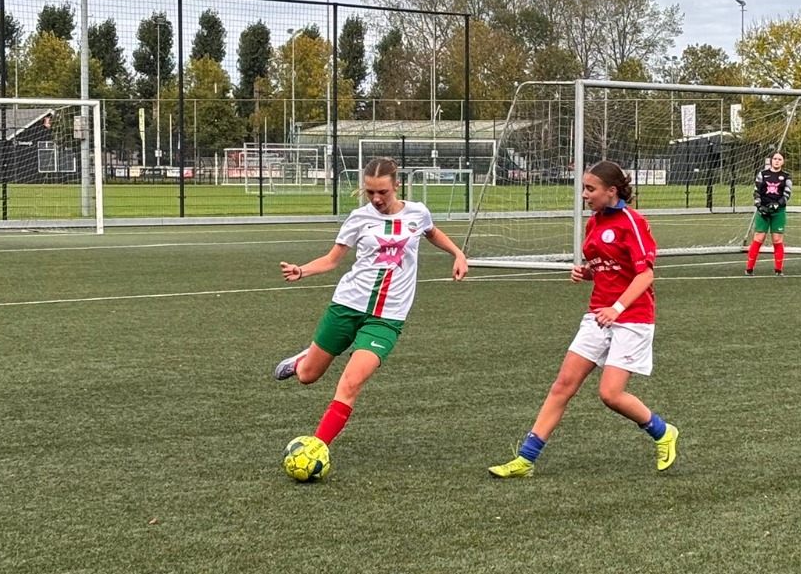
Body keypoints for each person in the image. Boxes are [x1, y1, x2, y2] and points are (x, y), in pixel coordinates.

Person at [489, 160, 679, 478]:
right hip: (598, 314)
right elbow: (607, 266)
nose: (584, 195)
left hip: (632, 318)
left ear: (611, 191)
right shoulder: (594, 223)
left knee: (610, 394)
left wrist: (617, 308)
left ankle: (663, 432)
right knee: (562, 386)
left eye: (590, 189)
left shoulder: (632, 222)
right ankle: (525, 460)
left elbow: (645, 275)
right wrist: (587, 272)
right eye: (584, 188)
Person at [274, 157, 468, 465]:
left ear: (397, 186)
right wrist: (302, 270)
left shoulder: (418, 213)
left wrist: (458, 253)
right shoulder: (358, 218)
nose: (376, 199)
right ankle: (302, 360)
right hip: (347, 306)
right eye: (370, 192)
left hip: (386, 319)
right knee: (308, 376)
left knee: (351, 382)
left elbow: (431, 232)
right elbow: (332, 260)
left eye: (383, 192)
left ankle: (317, 448)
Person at [747, 150, 792, 275]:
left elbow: (787, 194)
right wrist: (759, 206)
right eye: (775, 159)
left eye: (779, 159)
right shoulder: (762, 174)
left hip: (778, 212)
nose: (777, 161)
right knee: (759, 238)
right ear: (771, 160)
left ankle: (778, 270)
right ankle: (749, 268)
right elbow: (756, 191)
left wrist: (777, 204)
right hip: (763, 211)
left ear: (783, 161)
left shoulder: (787, 176)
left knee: (777, 239)